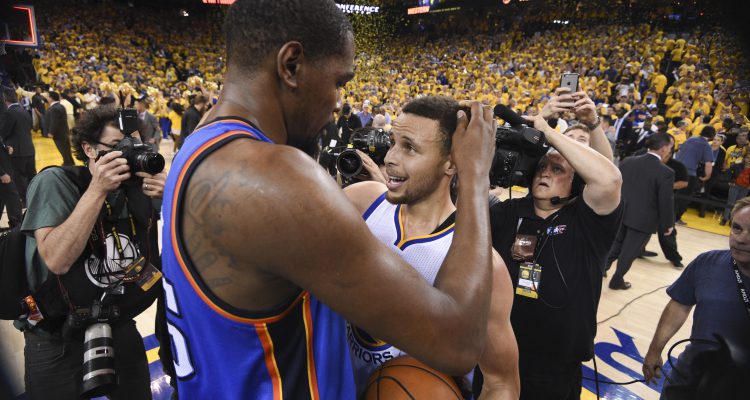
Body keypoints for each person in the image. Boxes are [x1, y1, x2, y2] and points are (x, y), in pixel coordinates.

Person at [160, 1, 497, 398]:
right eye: (339, 81)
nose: (339, 102)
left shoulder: (196, 145)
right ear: (291, 65)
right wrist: (475, 175)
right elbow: (457, 343)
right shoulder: (275, 178)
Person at [345, 96, 519, 399]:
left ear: (451, 163)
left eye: (409, 147)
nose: (390, 158)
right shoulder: (361, 202)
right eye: (393, 142)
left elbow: (501, 383)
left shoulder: (484, 267)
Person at [18, 105, 167, 399]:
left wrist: (173, 191)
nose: (128, 155)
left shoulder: (137, 188)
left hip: (118, 321)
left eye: (134, 146)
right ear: (88, 149)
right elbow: (57, 260)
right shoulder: (56, 182)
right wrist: (97, 191)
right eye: (116, 147)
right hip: (57, 335)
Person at [490, 106, 623, 399]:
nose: (545, 173)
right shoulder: (508, 211)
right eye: (542, 167)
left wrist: (549, 133)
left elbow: (609, 179)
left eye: (558, 169)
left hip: (555, 367)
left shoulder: (587, 221)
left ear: (576, 182)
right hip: (498, 353)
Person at [642, 197, 750, 399]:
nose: (741, 238)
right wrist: (654, 351)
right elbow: (679, 306)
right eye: (737, 228)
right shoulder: (707, 263)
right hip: (691, 375)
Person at [606, 134, 675, 289]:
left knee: (615, 246)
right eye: (670, 148)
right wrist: (668, 224)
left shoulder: (628, 161)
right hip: (643, 219)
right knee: (629, 252)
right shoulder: (666, 172)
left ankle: (601, 270)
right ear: (664, 149)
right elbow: (665, 201)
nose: (670, 151)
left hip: (621, 212)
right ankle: (617, 281)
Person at [0, 86, 36, 204]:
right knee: (31, 176)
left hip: (16, 150)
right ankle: (35, 198)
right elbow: (30, 126)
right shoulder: (24, 110)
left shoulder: (9, 113)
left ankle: (26, 201)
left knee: (19, 177)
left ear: (5, 100)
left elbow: (4, 131)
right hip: (29, 149)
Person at [674, 126, 715, 224]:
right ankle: (676, 218)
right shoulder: (706, 145)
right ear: (712, 136)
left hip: (675, 170)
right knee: (684, 198)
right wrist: (707, 176)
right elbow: (708, 163)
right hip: (688, 174)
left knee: (671, 194)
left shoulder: (691, 139)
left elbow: (679, 150)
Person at [43, 91, 75, 166]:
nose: (47, 98)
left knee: (63, 150)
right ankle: (70, 162)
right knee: (66, 149)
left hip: (59, 133)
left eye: (48, 96)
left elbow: (54, 121)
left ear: (51, 98)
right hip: (63, 132)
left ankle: (67, 164)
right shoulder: (59, 106)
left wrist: (51, 132)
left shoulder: (55, 108)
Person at [0, 134, 22, 229]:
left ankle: (16, 225)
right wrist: (1, 173)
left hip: (4, 169)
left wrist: (5, 148)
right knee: (13, 198)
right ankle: (16, 226)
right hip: (2, 173)